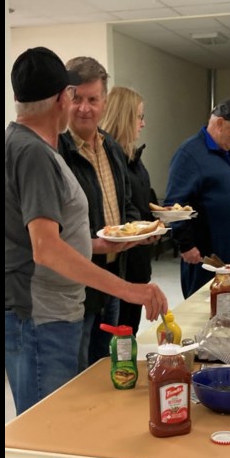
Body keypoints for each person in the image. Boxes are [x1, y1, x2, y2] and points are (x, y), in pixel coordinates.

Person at [5, 47, 168, 458]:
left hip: (44, 305)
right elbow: (45, 247)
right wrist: (131, 289)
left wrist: (100, 246)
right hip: (38, 310)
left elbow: (54, 238)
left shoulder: (23, 142)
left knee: (44, 410)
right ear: (63, 97)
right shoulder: (33, 152)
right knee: (39, 417)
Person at [58, 57, 149, 371]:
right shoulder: (56, 153)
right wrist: (93, 244)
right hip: (76, 288)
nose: (84, 108)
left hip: (112, 277)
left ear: (104, 103)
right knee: (77, 375)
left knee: (103, 366)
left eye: (92, 99)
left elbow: (126, 203)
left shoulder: (110, 146)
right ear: (63, 98)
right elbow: (50, 231)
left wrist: (135, 230)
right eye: (76, 98)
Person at [165, 98, 230, 298]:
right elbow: (173, 205)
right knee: (203, 310)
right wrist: (186, 244)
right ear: (219, 123)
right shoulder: (189, 154)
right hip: (205, 257)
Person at [101, 85, 156, 334]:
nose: (142, 124)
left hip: (138, 259)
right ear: (124, 116)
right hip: (120, 262)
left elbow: (138, 202)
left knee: (129, 332)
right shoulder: (108, 159)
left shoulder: (133, 156)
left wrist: (156, 218)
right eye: (139, 116)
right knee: (118, 337)